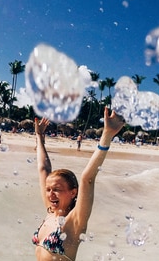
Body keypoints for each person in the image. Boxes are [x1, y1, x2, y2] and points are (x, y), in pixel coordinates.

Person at [32, 107, 124, 261]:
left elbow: (87, 178)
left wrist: (107, 135)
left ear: (73, 192)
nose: (50, 194)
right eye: (48, 189)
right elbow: (43, 168)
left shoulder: (75, 222)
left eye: (57, 189)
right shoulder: (50, 210)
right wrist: (39, 136)